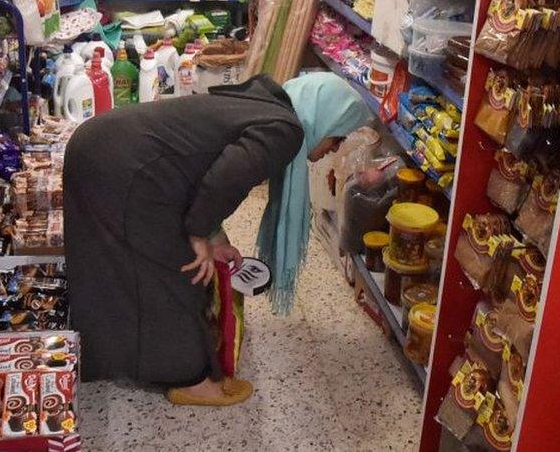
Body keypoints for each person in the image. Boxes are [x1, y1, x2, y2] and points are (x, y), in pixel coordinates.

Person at [64, 72, 371, 406]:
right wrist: (198, 233)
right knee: (178, 270)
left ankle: (110, 354)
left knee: (118, 262)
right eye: (337, 137)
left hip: (106, 150)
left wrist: (214, 234)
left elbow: (204, 166)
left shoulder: (265, 106)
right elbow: (226, 177)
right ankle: (188, 380)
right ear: (323, 116)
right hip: (123, 167)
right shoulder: (285, 130)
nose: (334, 148)